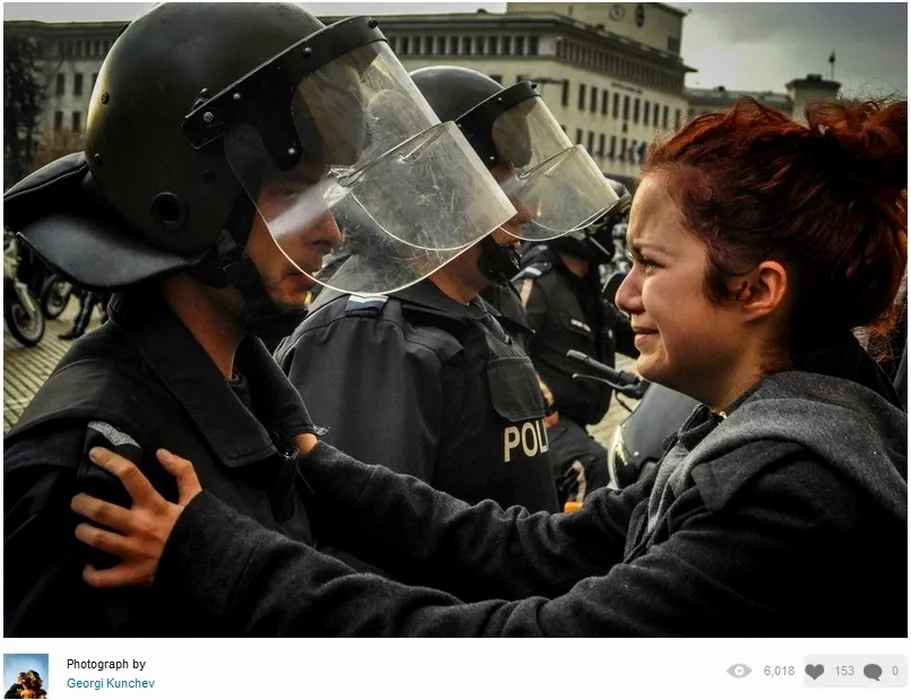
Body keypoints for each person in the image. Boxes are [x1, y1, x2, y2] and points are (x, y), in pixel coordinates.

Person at [72, 96, 907, 636]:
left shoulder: (790, 488)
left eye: (650, 264)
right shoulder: (759, 433)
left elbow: (526, 651)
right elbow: (535, 548)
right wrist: (319, 468)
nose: (622, 293)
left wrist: (219, 558)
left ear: (757, 290)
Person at [4, 3, 514, 636]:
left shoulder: (259, 406)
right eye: (293, 192)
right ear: (186, 199)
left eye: (325, 195)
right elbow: (48, 676)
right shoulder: (95, 465)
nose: (330, 232)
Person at [275, 66, 621, 513]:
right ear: (436, 195)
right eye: (500, 189)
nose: (523, 212)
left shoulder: (480, 308)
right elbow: (366, 531)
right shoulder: (372, 335)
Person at [512, 195, 639, 505]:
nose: (612, 234)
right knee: (593, 468)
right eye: (605, 225)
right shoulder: (538, 282)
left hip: (575, 424)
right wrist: (542, 404)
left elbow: (633, 335)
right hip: (539, 423)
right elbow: (507, 343)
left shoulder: (589, 292)